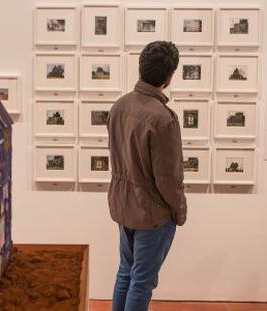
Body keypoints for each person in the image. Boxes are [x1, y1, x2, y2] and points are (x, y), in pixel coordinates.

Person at [107, 41, 187, 311]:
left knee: (125, 273)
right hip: (152, 213)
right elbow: (169, 178)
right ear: (169, 76)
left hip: (123, 205)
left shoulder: (120, 106)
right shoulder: (163, 118)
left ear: (141, 67)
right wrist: (180, 211)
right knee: (142, 280)